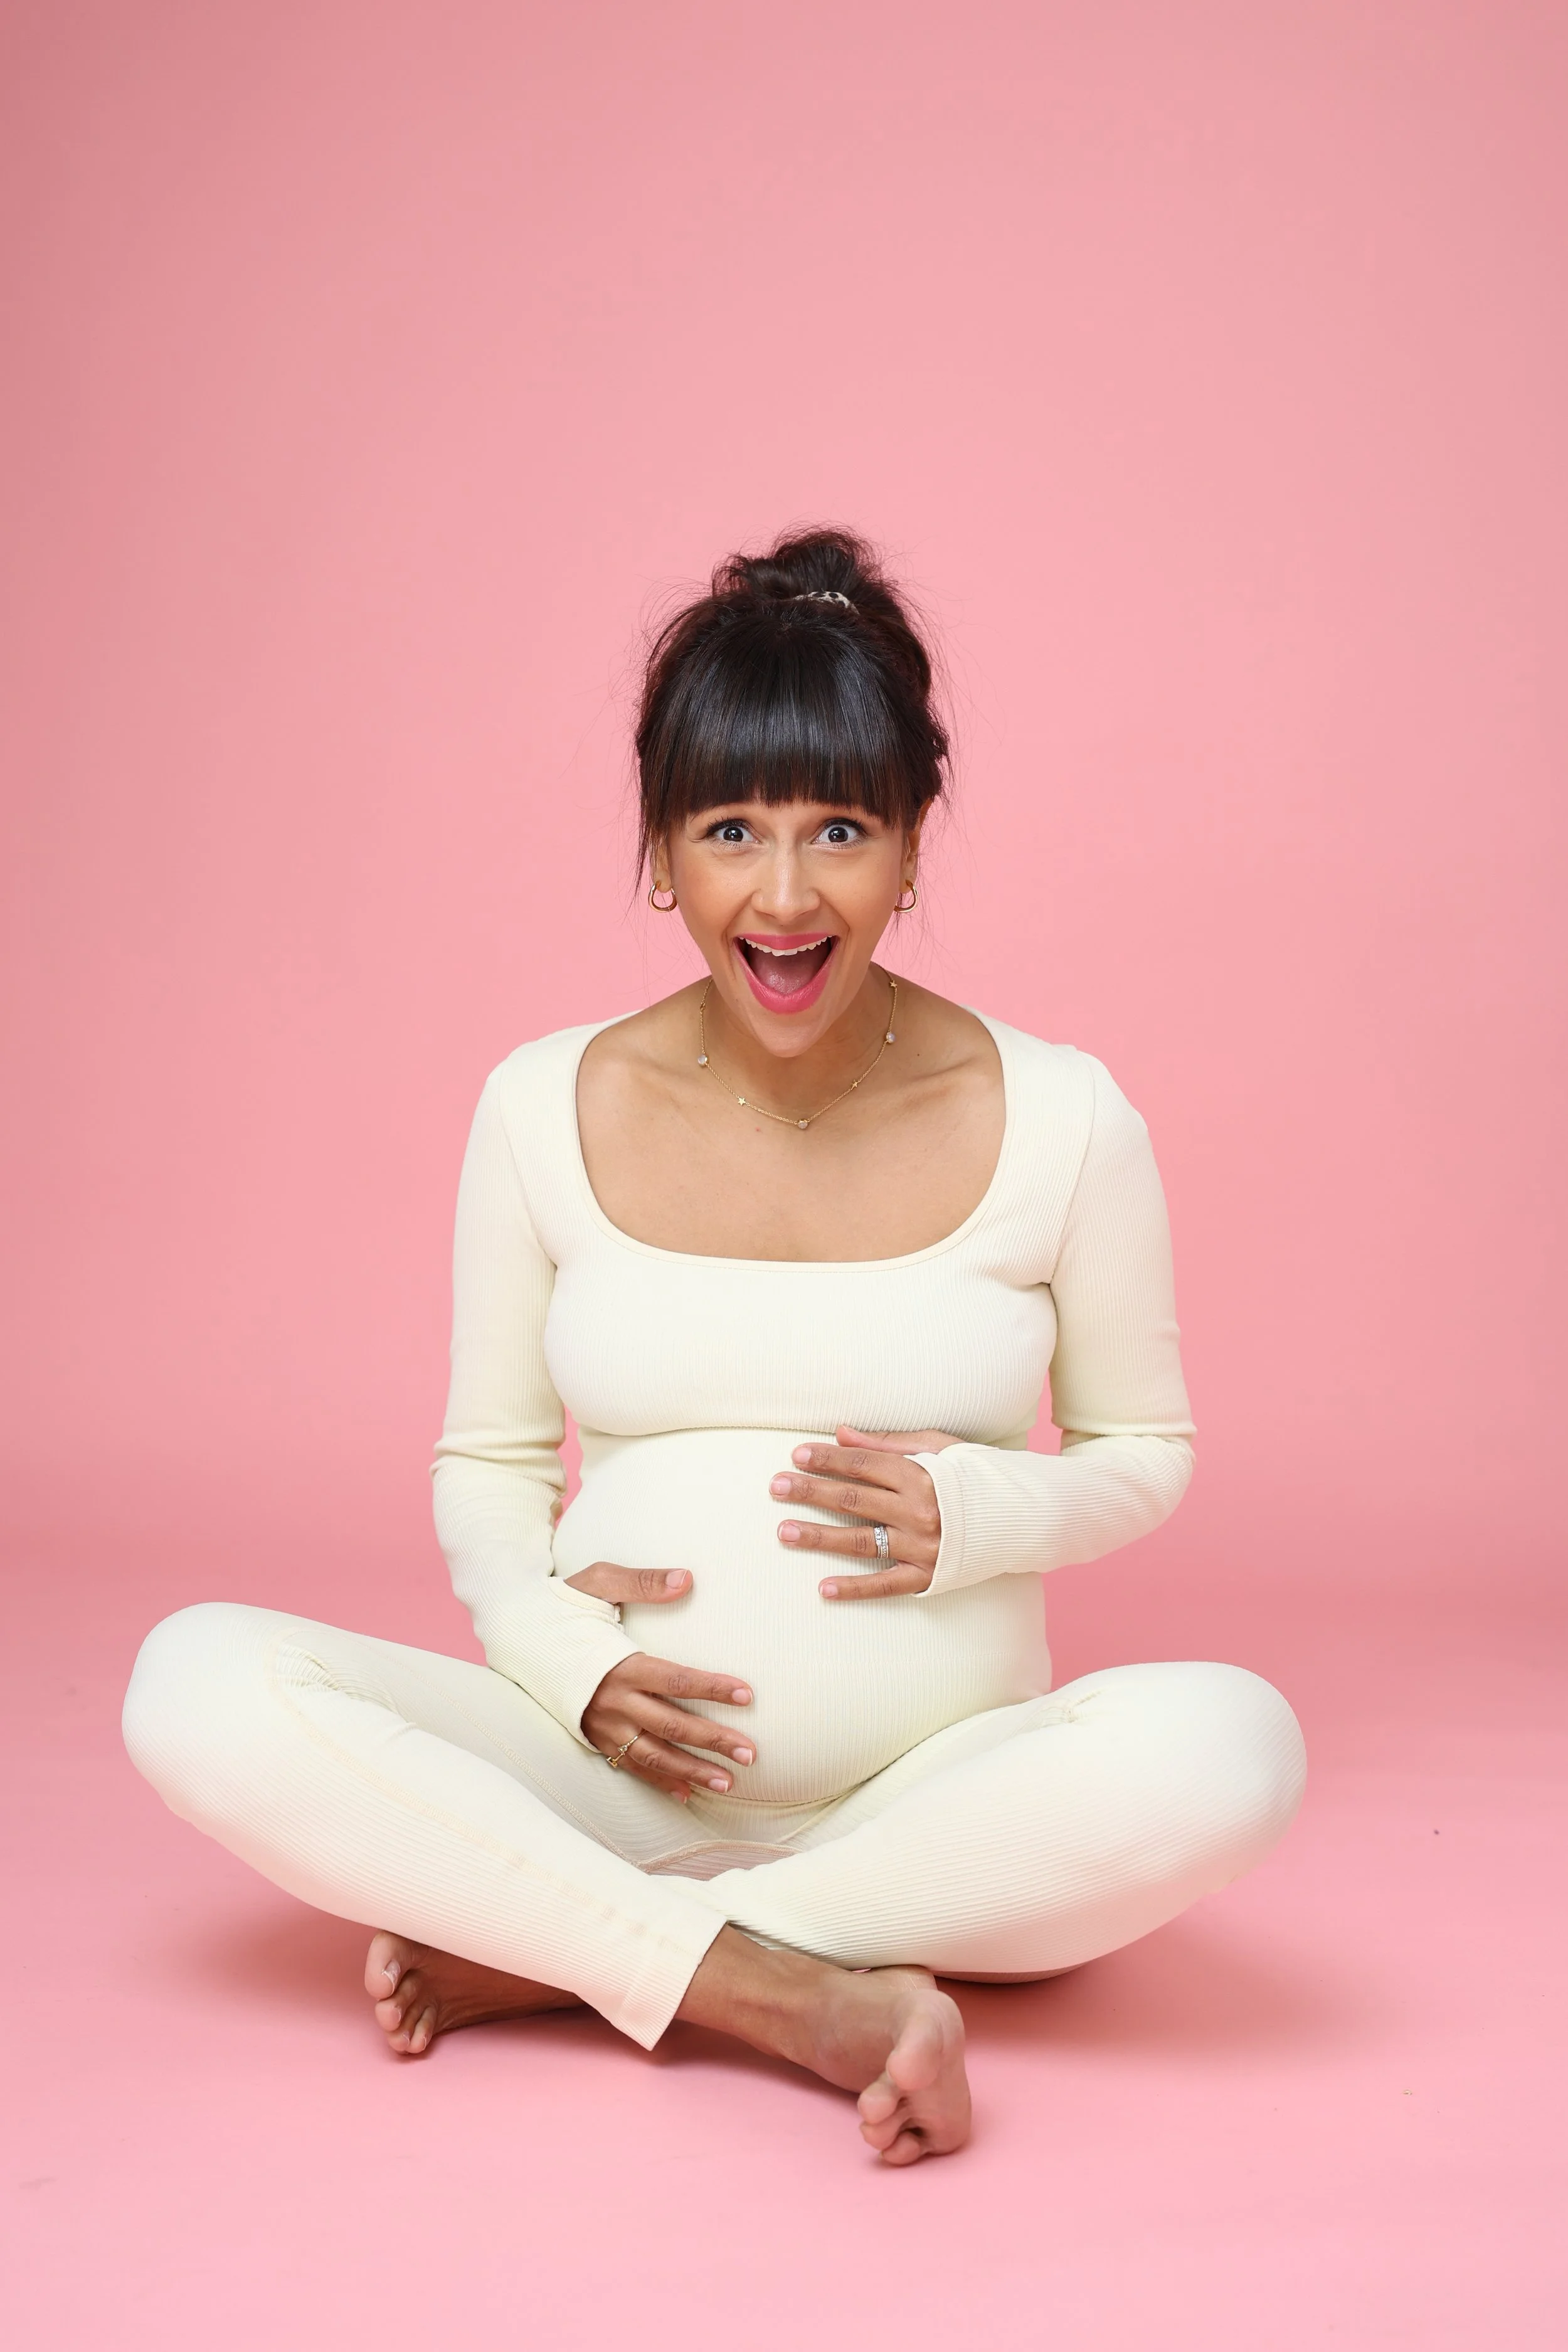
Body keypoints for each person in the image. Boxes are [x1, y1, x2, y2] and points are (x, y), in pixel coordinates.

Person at [123, 528, 1306, 2164]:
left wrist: (984, 1512)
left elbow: (1140, 1450)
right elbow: (486, 1464)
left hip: (934, 1799)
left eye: (840, 827)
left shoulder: (1061, 1117)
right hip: (592, 1768)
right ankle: (789, 1992)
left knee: (1234, 1740)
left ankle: (573, 1947)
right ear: (660, 852)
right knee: (192, 1678)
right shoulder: (541, 1102)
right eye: (729, 829)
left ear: (909, 845)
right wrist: (569, 1665)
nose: (785, 889)